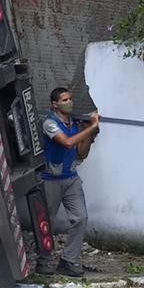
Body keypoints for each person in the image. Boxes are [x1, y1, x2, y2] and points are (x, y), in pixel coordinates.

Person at [39, 87, 100, 277]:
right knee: (45, 222)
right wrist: (90, 127)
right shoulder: (50, 123)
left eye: (70, 98)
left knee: (81, 218)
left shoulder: (74, 123)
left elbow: (81, 153)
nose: (69, 102)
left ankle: (69, 259)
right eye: (64, 99)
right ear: (55, 104)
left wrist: (90, 134)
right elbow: (66, 142)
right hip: (50, 179)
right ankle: (44, 261)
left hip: (70, 178)